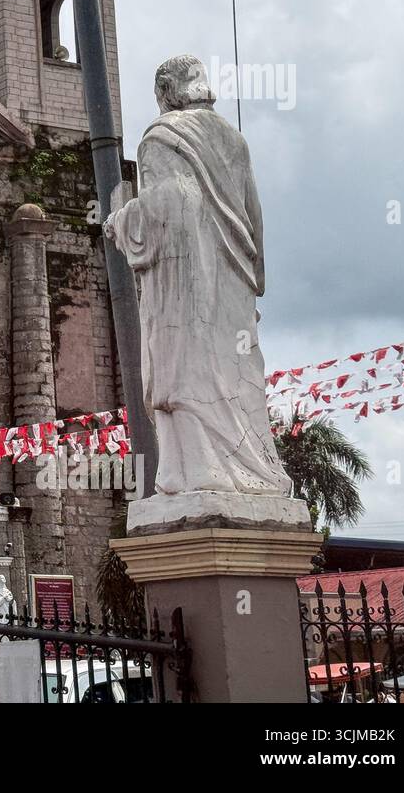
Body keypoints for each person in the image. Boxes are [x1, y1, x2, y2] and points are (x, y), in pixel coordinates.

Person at [105, 55, 292, 497]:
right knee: (231, 372)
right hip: (233, 279)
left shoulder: (162, 137)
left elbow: (171, 203)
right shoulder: (233, 138)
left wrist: (122, 220)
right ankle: (240, 474)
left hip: (184, 282)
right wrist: (254, 275)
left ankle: (195, 474)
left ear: (168, 91)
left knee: (182, 370)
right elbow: (253, 215)